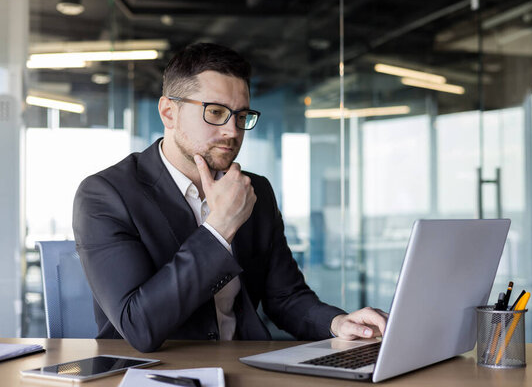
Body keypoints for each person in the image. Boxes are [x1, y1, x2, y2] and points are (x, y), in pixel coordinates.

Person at [73, 42, 387, 353]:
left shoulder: (255, 191)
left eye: (241, 115)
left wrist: (338, 323)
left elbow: (286, 298)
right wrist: (219, 228)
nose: (232, 131)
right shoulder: (106, 195)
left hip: (244, 365)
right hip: (154, 373)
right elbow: (138, 326)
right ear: (169, 112)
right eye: (216, 112)